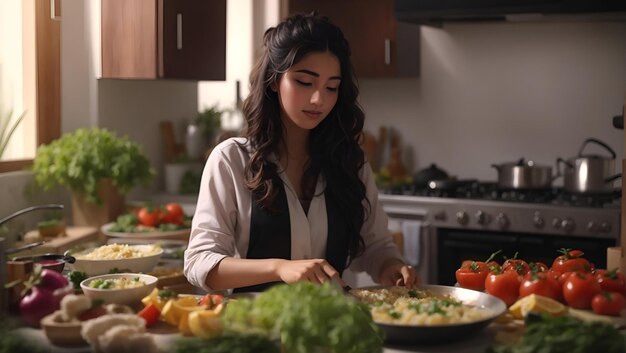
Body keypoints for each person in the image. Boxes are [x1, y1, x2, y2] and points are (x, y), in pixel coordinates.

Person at [184, 12, 418, 293]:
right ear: (274, 80)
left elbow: (375, 246)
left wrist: (390, 267)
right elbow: (200, 263)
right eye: (305, 82)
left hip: (332, 326)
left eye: (331, 87)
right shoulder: (231, 160)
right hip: (255, 328)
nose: (319, 99)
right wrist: (280, 268)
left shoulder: (350, 161)